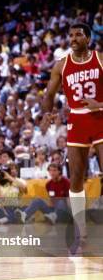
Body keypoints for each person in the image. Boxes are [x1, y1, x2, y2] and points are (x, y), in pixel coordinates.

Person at [42, 23, 103, 238]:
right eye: (71, 35)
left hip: (100, 117)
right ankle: (82, 227)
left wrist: (100, 104)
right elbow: (49, 94)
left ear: (88, 38)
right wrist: (47, 114)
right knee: (76, 175)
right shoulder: (61, 65)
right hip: (76, 118)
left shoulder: (100, 59)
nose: (73, 38)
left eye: (78, 35)